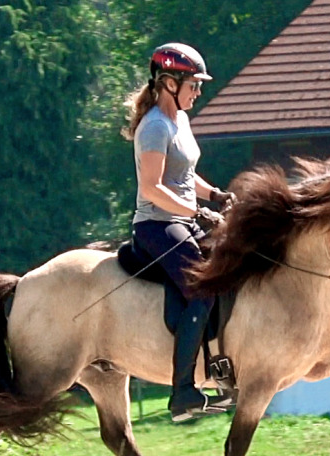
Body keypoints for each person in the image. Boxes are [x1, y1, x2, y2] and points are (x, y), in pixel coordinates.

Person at [123, 43, 234, 423]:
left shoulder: (180, 121)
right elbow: (154, 188)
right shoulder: (154, 126)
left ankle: (220, 371)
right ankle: (183, 391)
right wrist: (198, 211)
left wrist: (214, 194)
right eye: (193, 84)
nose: (198, 92)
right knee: (204, 289)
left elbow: (184, 176)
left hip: (184, 218)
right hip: (157, 225)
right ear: (168, 83)